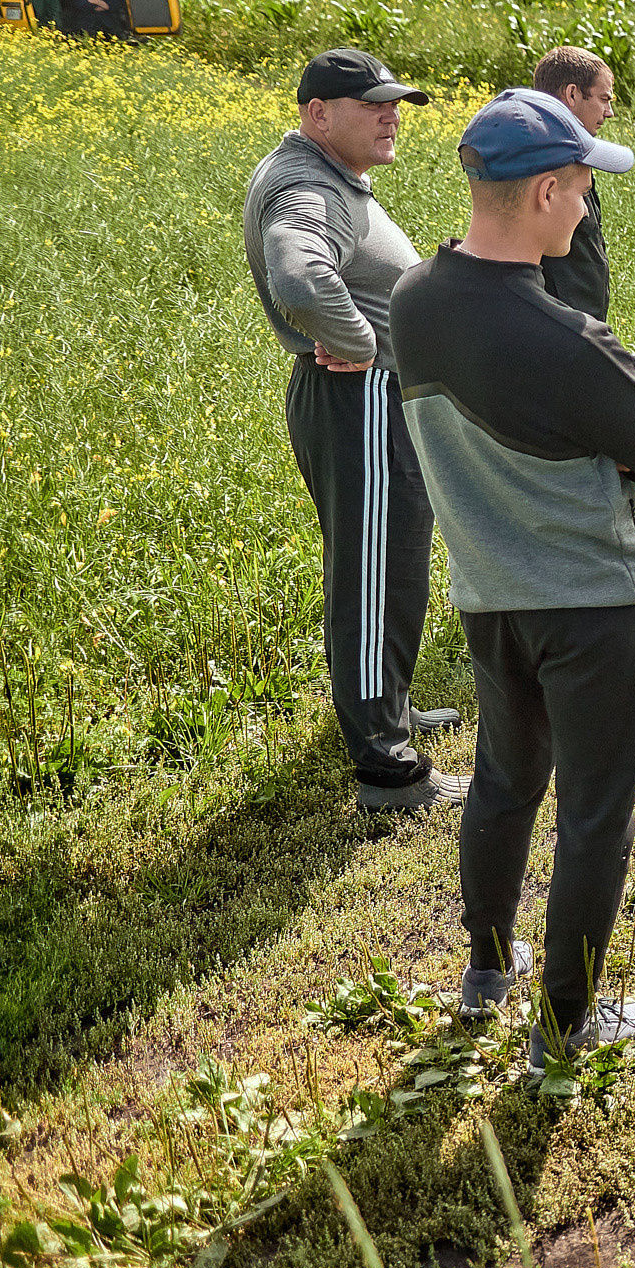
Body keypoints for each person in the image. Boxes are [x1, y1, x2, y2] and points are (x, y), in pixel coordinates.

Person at [387, 90, 635, 1064]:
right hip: (594, 606)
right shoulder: (564, 337)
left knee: (507, 781)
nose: (589, 204)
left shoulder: (415, 300)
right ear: (549, 190)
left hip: (488, 593)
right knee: (595, 808)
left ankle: (485, 968)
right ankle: (564, 1023)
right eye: (585, 186)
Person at [241, 49, 464, 811]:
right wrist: (362, 342)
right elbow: (299, 274)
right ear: (317, 114)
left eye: (394, 102)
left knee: (382, 565)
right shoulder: (306, 185)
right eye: (372, 104)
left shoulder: (326, 175)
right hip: (359, 396)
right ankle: (387, 766)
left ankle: (387, 708)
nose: (390, 115)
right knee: (375, 579)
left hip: (366, 398)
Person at [532, 47, 619, 321]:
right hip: (560, 325)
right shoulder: (547, 162)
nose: (610, 112)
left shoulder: (568, 155)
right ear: (572, 94)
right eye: (604, 99)